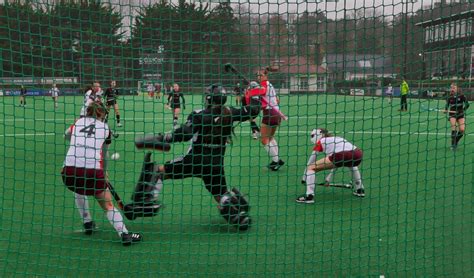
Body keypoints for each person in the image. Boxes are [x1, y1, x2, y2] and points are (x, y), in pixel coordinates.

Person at [129, 84, 257, 230]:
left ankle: (146, 200)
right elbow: (253, 110)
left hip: (196, 160)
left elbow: (185, 133)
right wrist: (256, 93)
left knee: (158, 170)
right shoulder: (230, 112)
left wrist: (162, 138)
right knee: (220, 192)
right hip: (216, 164)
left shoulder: (199, 114)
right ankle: (237, 213)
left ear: (209, 99)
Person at [61, 100, 142, 246]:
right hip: (92, 172)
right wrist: (103, 173)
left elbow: (65, 136)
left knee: (78, 186)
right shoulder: (105, 128)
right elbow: (104, 154)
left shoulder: (77, 122)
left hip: (68, 172)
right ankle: (124, 234)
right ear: (102, 114)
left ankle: (87, 223)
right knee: (108, 205)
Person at [297, 128, 365, 204]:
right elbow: (337, 163)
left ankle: (309, 196)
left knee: (311, 168)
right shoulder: (336, 139)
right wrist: (329, 178)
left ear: (319, 134)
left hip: (341, 155)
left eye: (312, 135)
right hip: (358, 154)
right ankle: (360, 189)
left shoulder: (321, 142)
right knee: (351, 164)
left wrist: (304, 178)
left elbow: (311, 160)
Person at [246, 67, 287, 171]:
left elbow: (262, 92)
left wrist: (250, 92)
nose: (259, 77)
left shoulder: (265, 84)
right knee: (270, 138)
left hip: (270, 113)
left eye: (261, 75)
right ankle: (277, 160)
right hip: (276, 113)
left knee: (264, 140)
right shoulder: (270, 85)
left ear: (265, 75)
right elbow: (277, 100)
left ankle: (276, 161)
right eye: (257, 76)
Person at [445, 83, 469, 150]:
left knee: (462, 129)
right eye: (451, 88)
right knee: (454, 127)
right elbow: (447, 105)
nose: (452, 89)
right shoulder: (449, 97)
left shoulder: (462, 96)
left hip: (460, 114)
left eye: (454, 88)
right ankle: (453, 145)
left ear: (457, 89)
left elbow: (467, 104)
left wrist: (462, 110)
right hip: (452, 115)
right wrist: (446, 110)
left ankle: (456, 141)